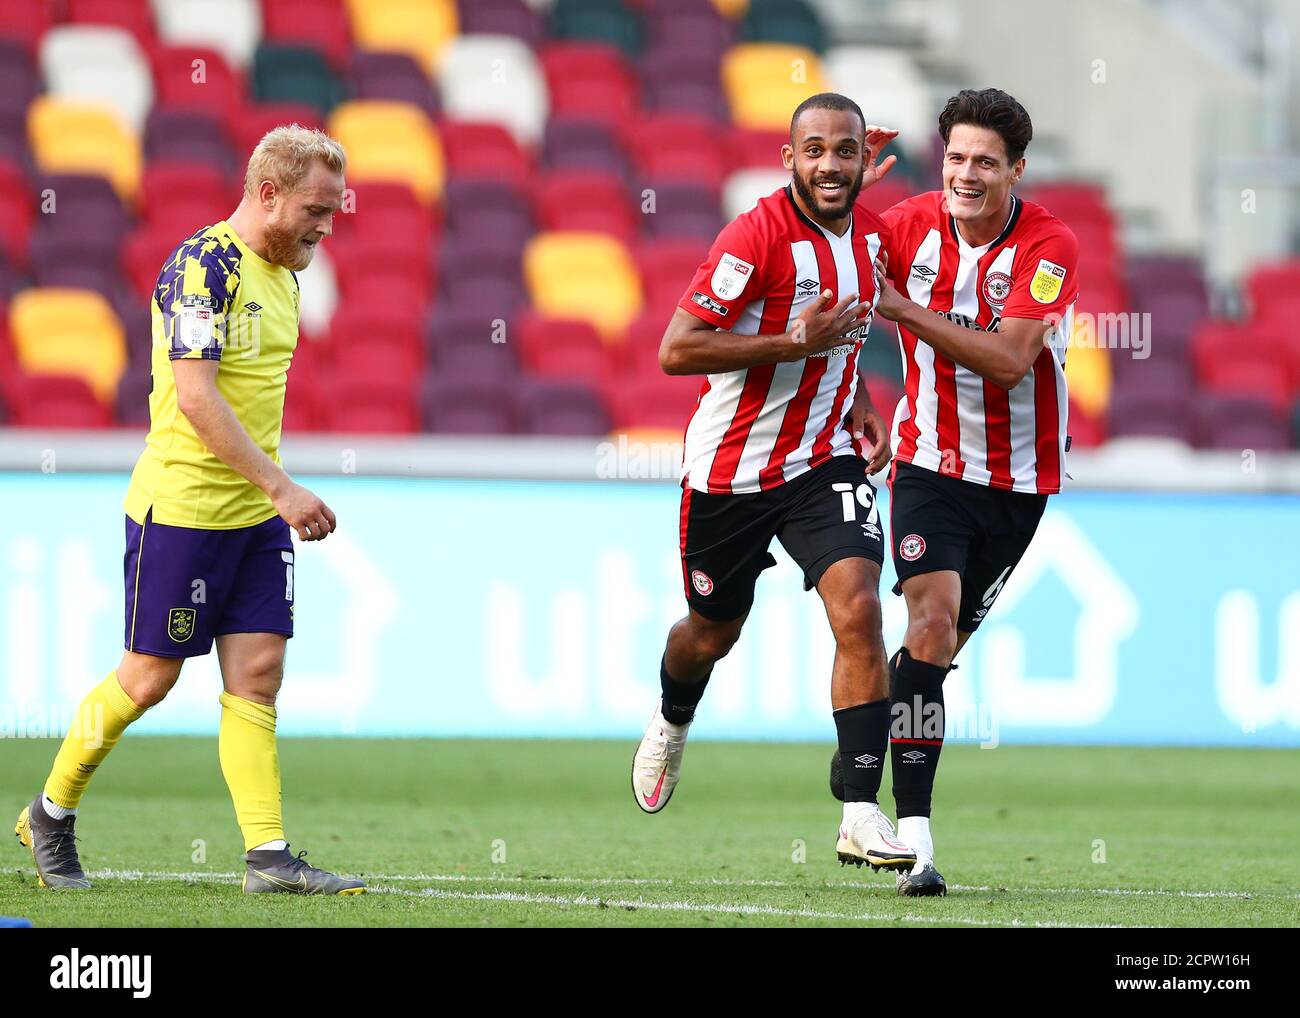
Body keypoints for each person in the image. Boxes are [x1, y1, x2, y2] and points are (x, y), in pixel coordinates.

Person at [15, 125, 364, 896]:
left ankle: (268, 858)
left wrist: (270, 496)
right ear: (267, 194)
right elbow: (197, 398)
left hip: (254, 517)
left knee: (259, 672)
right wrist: (284, 487)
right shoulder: (200, 268)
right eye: (316, 208)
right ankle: (51, 811)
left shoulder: (289, 273)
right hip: (181, 511)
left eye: (334, 212)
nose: (325, 226)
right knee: (147, 678)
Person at [630, 93, 918, 873]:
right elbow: (677, 349)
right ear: (788, 158)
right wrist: (790, 339)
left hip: (822, 461)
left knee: (860, 602)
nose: (830, 163)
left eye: (846, 150)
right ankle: (672, 717)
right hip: (730, 472)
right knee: (710, 632)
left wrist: (858, 399)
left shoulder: (873, 240)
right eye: (814, 149)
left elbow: (844, 336)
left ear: (864, 160)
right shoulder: (753, 235)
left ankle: (860, 811)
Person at [830, 88, 1079, 897]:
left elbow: (1009, 362)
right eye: (955, 159)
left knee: (931, 663)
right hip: (929, 464)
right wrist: (846, 189)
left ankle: (870, 729)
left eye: (984, 162)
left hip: (1018, 483)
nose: (965, 175)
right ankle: (917, 840)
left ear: (1016, 170)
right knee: (929, 626)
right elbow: (829, 261)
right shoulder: (905, 227)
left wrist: (900, 305)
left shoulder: (1048, 245)